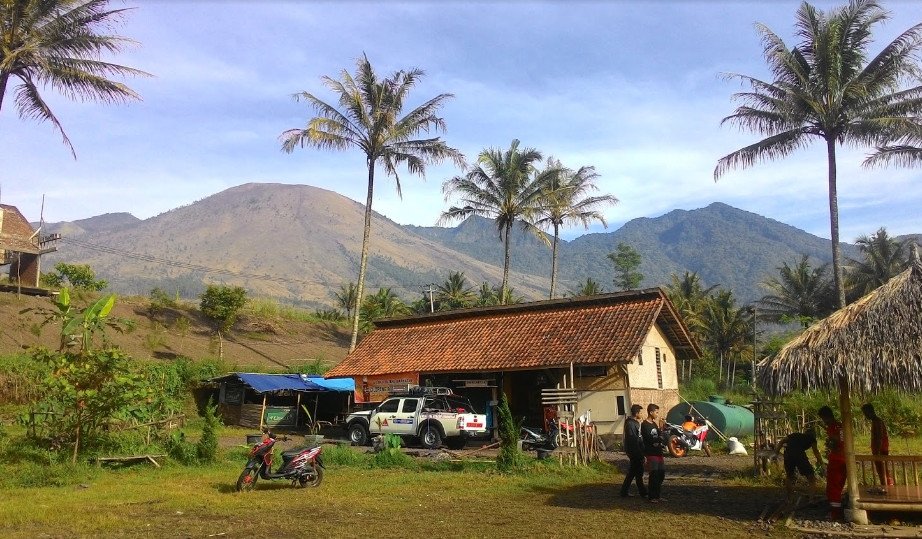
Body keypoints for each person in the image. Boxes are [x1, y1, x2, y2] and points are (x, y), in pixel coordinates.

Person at [776, 427, 823, 499]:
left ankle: (790, 498)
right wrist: (821, 462)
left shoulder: (795, 435)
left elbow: (782, 441)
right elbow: (816, 451)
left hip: (788, 454)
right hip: (799, 455)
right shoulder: (812, 439)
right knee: (811, 477)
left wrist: (777, 452)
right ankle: (811, 498)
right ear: (814, 435)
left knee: (789, 476)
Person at [818, 405, 846, 520]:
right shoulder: (841, 425)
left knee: (833, 486)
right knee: (838, 485)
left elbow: (836, 440)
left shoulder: (832, 427)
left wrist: (830, 442)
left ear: (826, 417)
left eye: (823, 419)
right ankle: (836, 509)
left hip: (837, 459)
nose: (823, 422)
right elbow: (843, 439)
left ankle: (835, 513)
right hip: (844, 458)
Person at [620, 404, 648, 498]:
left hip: (636, 451)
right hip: (634, 451)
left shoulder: (634, 423)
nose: (641, 414)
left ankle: (627, 491)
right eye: (640, 412)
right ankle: (642, 492)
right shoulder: (631, 424)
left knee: (634, 472)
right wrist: (639, 453)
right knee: (637, 472)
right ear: (636, 413)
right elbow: (633, 440)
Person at [861, 403, 892, 490]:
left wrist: (877, 451)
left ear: (870, 412)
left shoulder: (877, 422)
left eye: (866, 413)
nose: (865, 416)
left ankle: (887, 489)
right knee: (883, 471)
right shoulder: (876, 421)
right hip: (880, 449)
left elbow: (879, 437)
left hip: (880, 450)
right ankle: (887, 487)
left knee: (882, 472)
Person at [641, 403, 666, 503]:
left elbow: (660, 437)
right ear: (650, 412)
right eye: (656, 412)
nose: (657, 414)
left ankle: (658, 495)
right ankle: (652, 496)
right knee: (654, 474)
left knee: (661, 473)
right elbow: (649, 438)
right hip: (651, 453)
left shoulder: (654, 424)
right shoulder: (645, 425)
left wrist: (661, 428)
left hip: (658, 452)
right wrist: (657, 440)